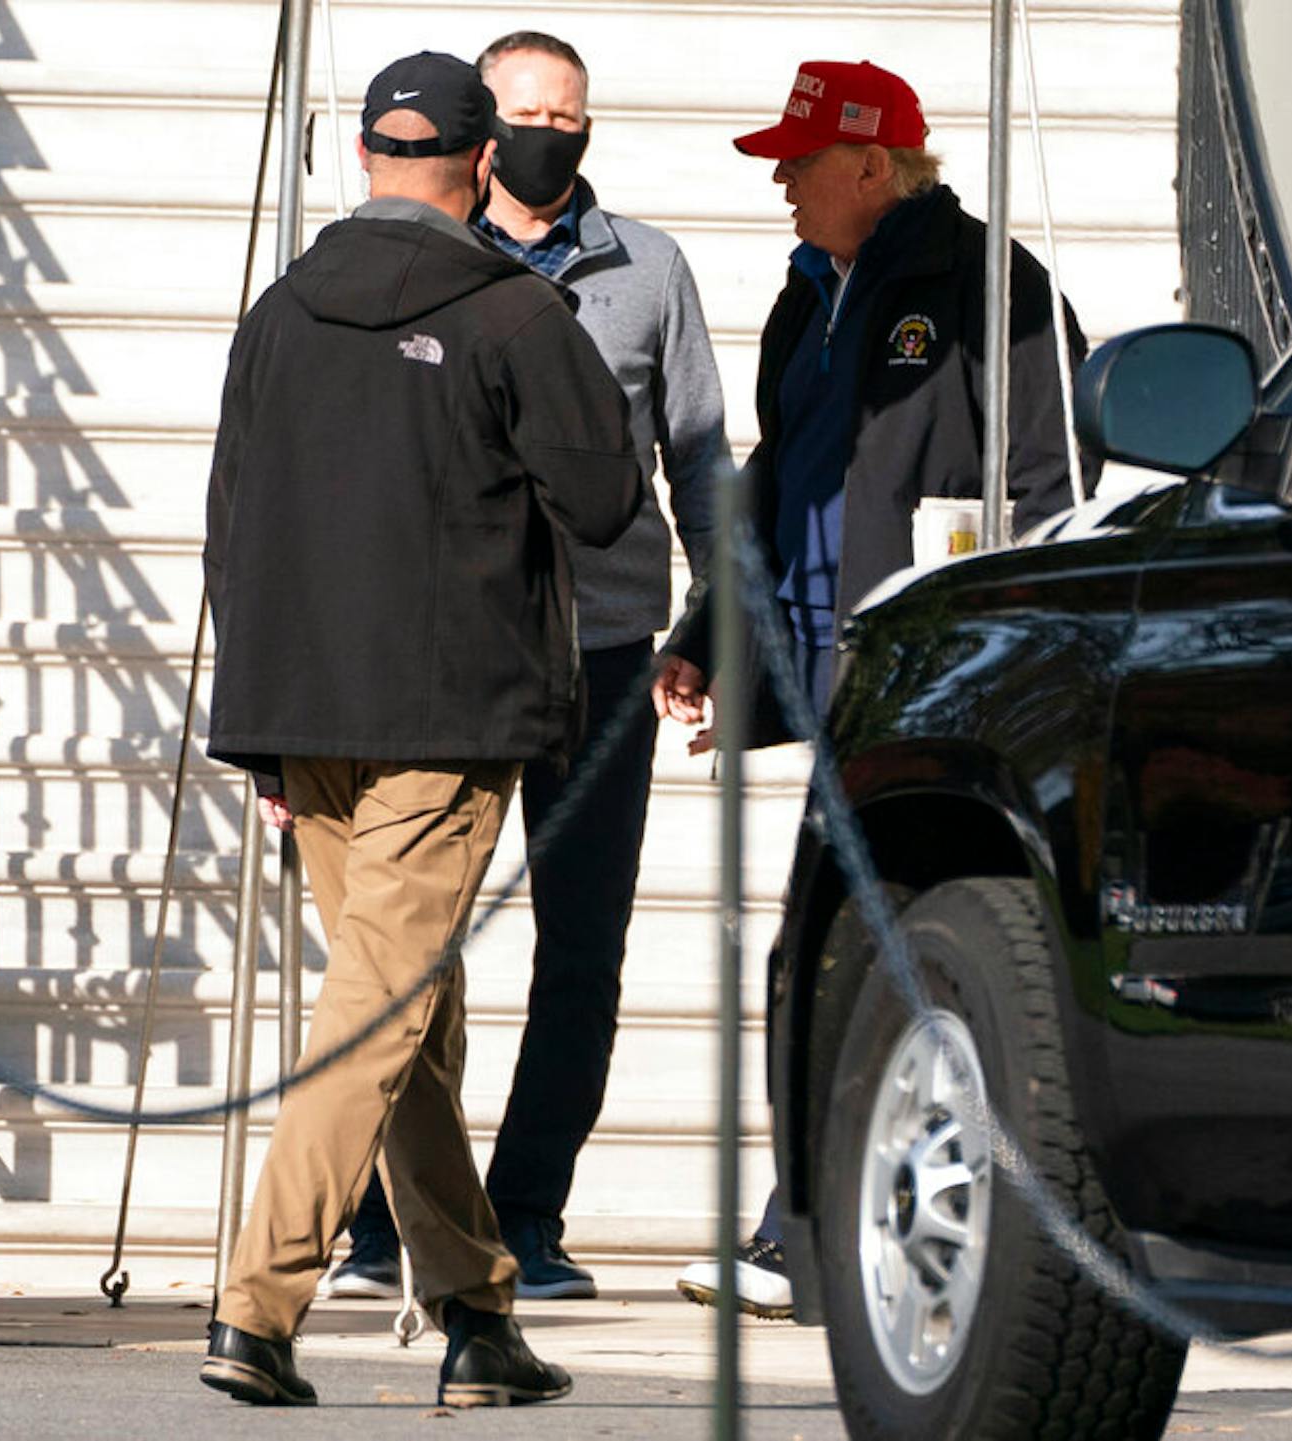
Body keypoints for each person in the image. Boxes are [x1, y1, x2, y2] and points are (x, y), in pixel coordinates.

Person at [197, 51, 641, 1407]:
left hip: (306, 708)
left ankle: (475, 1316)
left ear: (363, 156)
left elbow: (233, 519)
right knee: (381, 1009)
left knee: (409, 1020)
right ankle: (256, 1307)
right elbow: (610, 498)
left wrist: (259, 727)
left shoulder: (277, 310)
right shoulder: (514, 312)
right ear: (484, 161)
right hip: (444, 717)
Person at [652, 59, 1087, 1316]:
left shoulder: (989, 289)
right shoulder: (806, 300)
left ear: (872, 167)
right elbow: (776, 484)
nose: (781, 183)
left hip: (934, 676)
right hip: (834, 673)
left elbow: (1057, 480)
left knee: (866, 952)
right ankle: (811, 1231)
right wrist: (710, 633)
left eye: (798, 162)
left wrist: (1005, 654)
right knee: (845, 952)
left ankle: (813, 1236)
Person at [322, 29, 730, 1305]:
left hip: (602, 653)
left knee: (584, 945)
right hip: (448, 652)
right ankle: (392, 1223)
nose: (556, 133)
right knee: (411, 943)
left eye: (575, 113)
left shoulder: (648, 268)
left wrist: (717, 619)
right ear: (478, 134)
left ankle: (529, 1214)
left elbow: (702, 456)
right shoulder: (406, 258)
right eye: (530, 112)